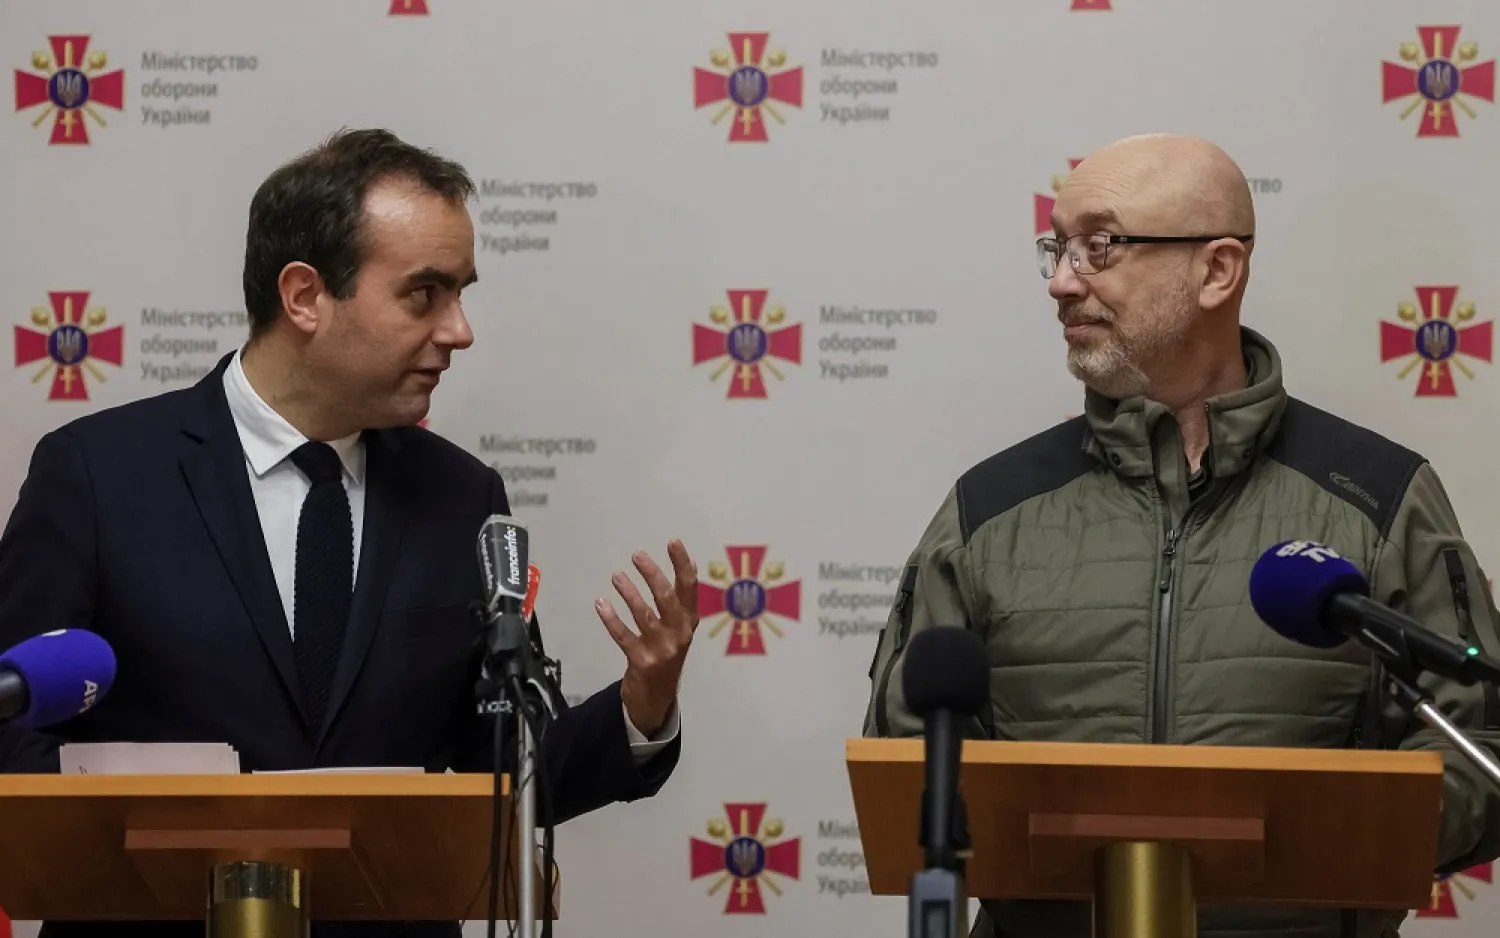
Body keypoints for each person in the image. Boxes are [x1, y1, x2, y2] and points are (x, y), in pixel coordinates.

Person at [0, 128, 700, 937]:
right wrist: (132, 845)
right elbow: (11, 727)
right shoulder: (98, 474)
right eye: (424, 294)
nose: (459, 329)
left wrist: (639, 709)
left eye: (462, 293)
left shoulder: (463, 496)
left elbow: (503, 767)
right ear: (304, 296)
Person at [863, 133, 1500, 937]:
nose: (1062, 281)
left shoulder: (1380, 496)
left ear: (1218, 270)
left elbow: (1478, 749)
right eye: (1057, 248)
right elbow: (903, 758)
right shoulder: (989, 509)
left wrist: (1304, 844)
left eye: (1100, 245)